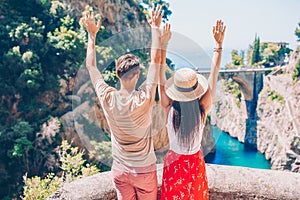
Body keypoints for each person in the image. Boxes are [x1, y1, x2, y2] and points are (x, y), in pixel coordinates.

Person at [81, 5, 172, 200]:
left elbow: (91, 66)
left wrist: (91, 34)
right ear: (138, 74)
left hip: (120, 171)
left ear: (117, 74)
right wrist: (155, 28)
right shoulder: (145, 97)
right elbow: (156, 60)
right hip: (144, 171)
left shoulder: (107, 97)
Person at [159, 20, 226, 200]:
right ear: (196, 88)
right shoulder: (202, 109)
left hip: (173, 164)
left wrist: (162, 45)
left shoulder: (169, 108)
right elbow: (214, 74)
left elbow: (159, 73)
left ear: (176, 90)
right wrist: (218, 46)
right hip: (195, 164)